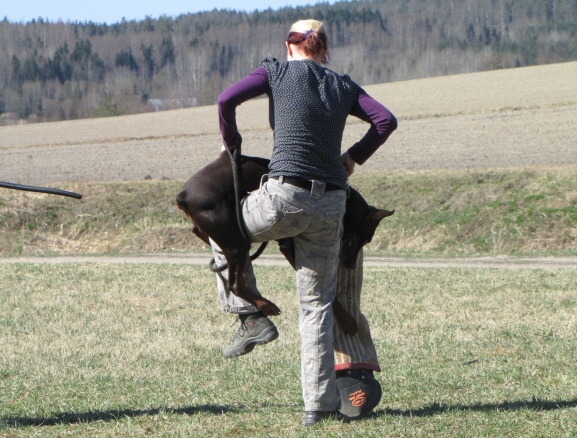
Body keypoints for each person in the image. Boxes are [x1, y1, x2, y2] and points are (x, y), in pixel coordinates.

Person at [210, 18, 397, 426]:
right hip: (331, 204)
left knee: (217, 226)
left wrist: (231, 141)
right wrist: (352, 159)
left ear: (289, 45)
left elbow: (226, 99)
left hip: (282, 199)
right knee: (315, 307)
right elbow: (385, 121)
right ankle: (318, 406)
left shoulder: (275, 71)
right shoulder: (343, 86)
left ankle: (249, 315)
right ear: (323, 48)